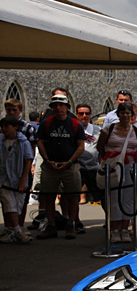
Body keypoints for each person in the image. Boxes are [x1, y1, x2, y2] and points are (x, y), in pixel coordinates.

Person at [36, 94, 86, 240]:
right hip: (50, 165)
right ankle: (50, 225)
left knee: (72, 196)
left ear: (67, 107)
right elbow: (40, 142)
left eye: (61, 105)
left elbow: (80, 146)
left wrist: (70, 161)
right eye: (55, 105)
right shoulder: (47, 123)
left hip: (70, 166)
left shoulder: (75, 124)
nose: (58, 108)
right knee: (49, 196)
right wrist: (47, 159)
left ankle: (71, 224)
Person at [96, 101, 137, 243]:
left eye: (128, 113)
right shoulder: (109, 129)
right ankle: (115, 230)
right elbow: (100, 147)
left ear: (132, 115)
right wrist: (112, 158)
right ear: (118, 114)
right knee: (114, 197)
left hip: (130, 166)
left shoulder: (136, 131)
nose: (125, 115)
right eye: (122, 113)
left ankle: (125, 229)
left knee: (128, 197)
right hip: (113, 165)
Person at [0, 116, 33, 243]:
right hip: (4, 178)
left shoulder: (24, 143)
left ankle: (12, 230)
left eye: (6, 127)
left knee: (18, 205)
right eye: (2, 127)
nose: (4, 130)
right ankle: (18, 231)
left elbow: (28, 161)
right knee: (9, 204)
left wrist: (23, 180)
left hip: (18, 177)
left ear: (15, 127)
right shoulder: (0, 141)